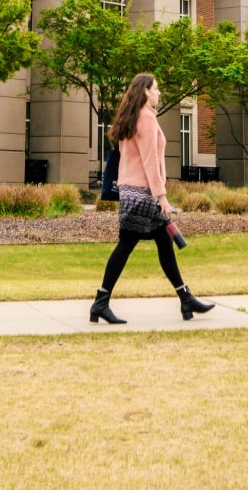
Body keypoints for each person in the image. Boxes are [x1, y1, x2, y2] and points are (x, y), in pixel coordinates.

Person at [90, 72, 214, 324]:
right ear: (146, 91)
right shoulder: (145, 118)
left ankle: (185, 298)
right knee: (126, 245)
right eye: (156, 89)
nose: (159, 93)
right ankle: (100, 303)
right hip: (142, 194)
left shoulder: (133, 117)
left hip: (131, 191)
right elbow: (150, 162)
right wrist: (162, 197)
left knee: (163, 242)